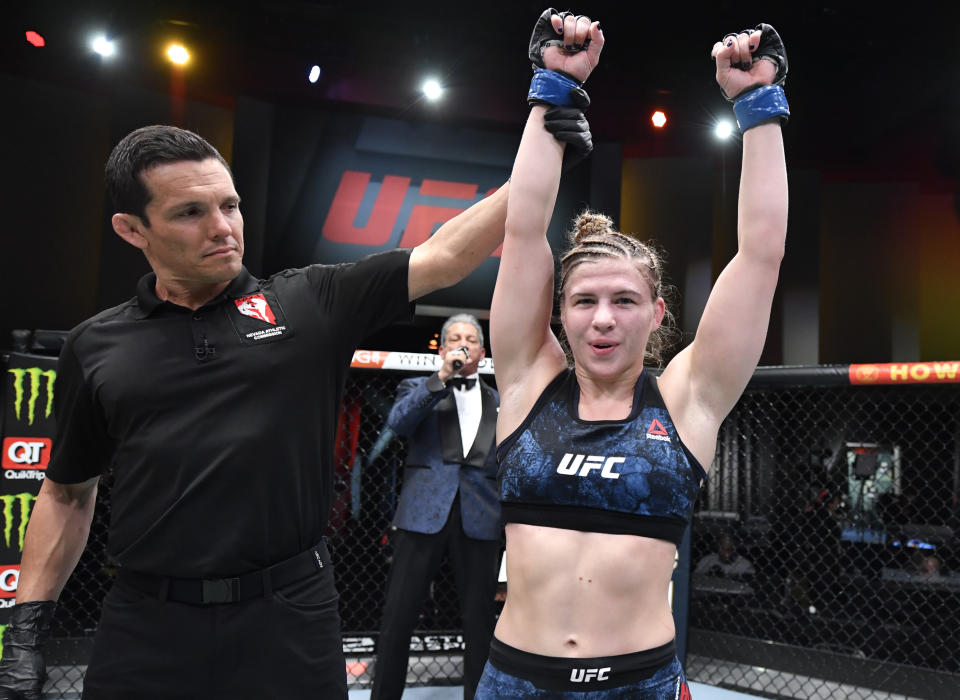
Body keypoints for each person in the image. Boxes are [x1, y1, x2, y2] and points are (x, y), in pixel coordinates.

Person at [0, 107, 593, 698]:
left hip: (290, 614)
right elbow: (66, 492)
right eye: (190, 213)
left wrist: (543, 156)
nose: (222, 227)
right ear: (133, 229)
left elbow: (444, 256)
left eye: (229, 205)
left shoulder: (309, 303)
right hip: (147, 622)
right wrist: (25, 632)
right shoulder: (96, 344)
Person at [475, 9, 789, 698]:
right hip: (515, 681)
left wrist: (758, 103)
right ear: (559, 314)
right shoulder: (530, 382)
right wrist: (552, 85)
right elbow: (525, 231)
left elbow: (762, 254)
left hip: (637, 684)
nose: (603, 319)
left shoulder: (688, 399)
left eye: (624, 301)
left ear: (657, 315)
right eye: (583, 301)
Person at [371, 314, 501, 700]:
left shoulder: (498, 399)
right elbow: (399, 422)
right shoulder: (418, 387)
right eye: (455, 338)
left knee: (479, 620)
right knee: (398, 616)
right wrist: (440, 378)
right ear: (443, 348)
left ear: (482, 350)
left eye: (471, 338)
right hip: (423, 512)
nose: (463, 344)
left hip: (481, 515)